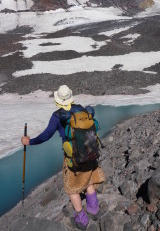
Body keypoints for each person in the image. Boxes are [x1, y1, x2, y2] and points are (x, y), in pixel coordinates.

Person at [21, 85, 105, 230]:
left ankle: (82, 220)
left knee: (72, 189)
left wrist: (29, 142)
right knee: (88, 180)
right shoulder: (81, 109)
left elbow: (46, 136)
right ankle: (94, 210)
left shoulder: (57, 116)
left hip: (72, 157)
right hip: (90, 153)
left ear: (58, 100)